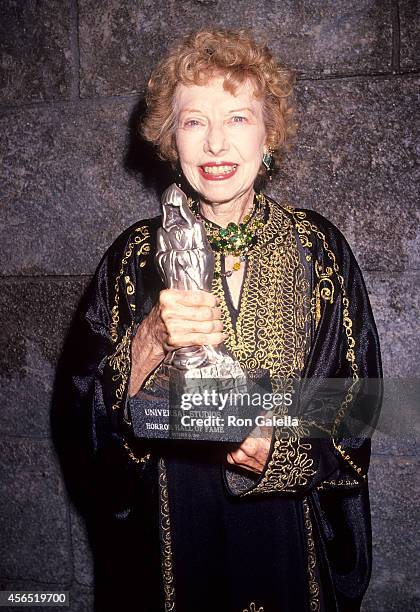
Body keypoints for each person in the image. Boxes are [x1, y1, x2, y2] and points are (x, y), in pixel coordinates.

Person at [72, 28, 382, 612]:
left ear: (270, 136)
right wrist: (145, 345)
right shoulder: (131, 257)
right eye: (193, 122)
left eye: (237, 118)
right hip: (170, 543)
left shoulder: (318, 249)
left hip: (288, 540)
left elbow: (360, 401)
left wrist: (283, 453)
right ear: (171, 140)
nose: (216, 143)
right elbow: (82, 416)